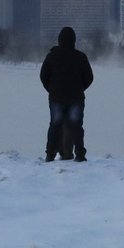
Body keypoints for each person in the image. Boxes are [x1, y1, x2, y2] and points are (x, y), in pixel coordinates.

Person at [39, 26, 94, 162]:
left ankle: (50, 154)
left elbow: (43, 76)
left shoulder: (52, 56)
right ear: (74, 41)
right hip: (76, 97)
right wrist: (80, 88)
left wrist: (51, 89)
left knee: (55, 125)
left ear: (59, 40)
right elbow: (89, 77)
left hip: (56, 97)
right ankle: (80, 154)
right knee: (77, 126)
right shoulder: (80, 57)